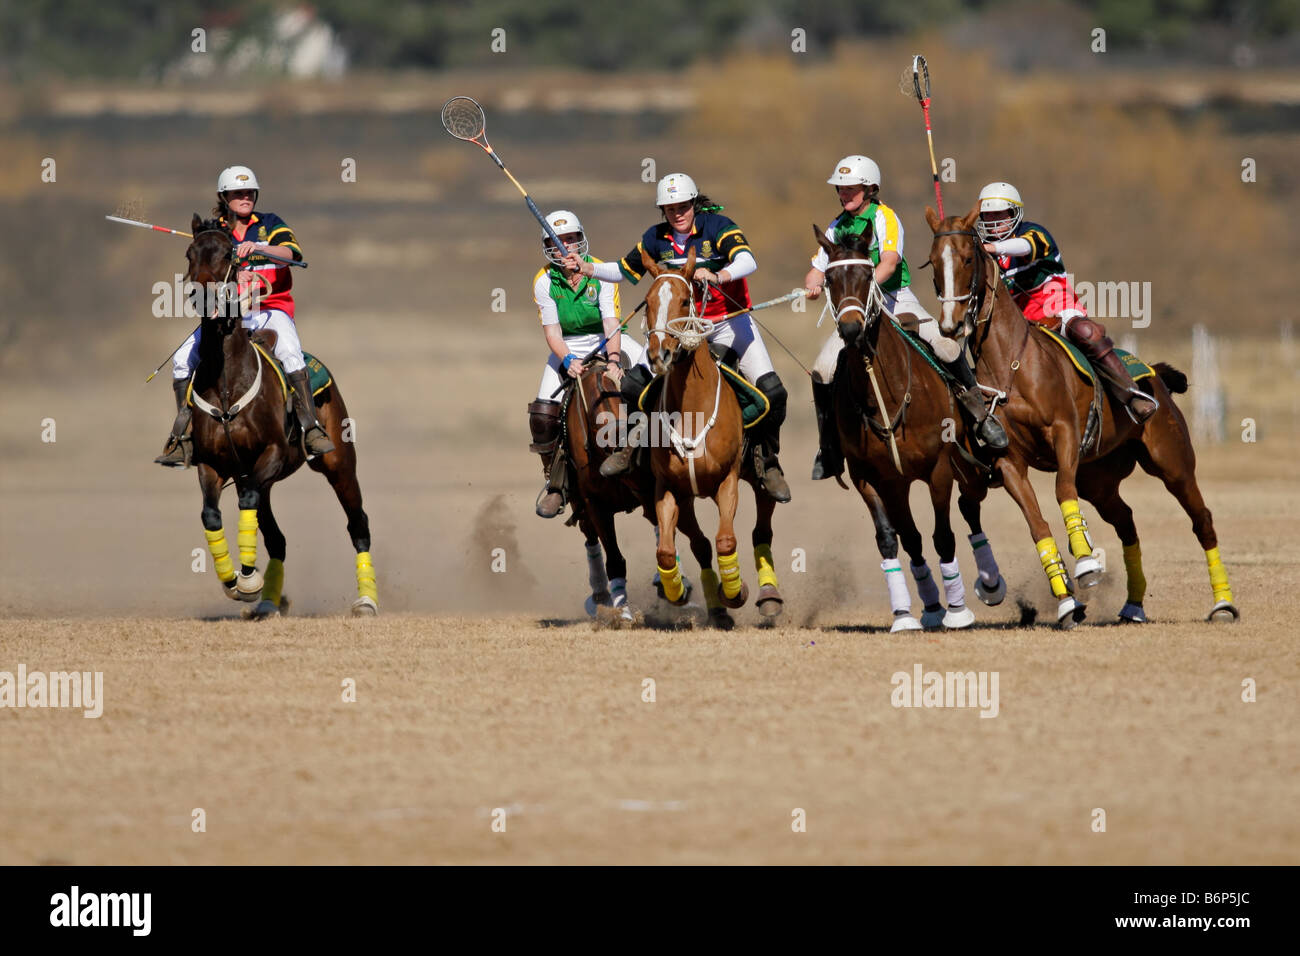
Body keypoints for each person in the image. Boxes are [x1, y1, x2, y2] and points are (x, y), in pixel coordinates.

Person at [563, 173, 791, 503]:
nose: (677, 213)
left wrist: (719, 274)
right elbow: (625, 271)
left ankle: (767, 463)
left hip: (728, 322)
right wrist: (588, 269)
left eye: (683, 206)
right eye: (670, 209)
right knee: (632, 386)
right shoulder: (655, 238)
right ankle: (630, 451)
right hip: (679, 330)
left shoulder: (718, 227)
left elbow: (748, 260)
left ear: (693, 204)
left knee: (774, 392)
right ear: (663, 211)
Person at [804, 156, 1007, 480]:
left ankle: (982, 418)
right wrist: (813, 281)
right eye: (840, 189)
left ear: (869, 188)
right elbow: (818, 265)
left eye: (850, 188)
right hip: (857, 308)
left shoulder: (885, 218)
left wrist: (864, 283)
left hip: (896, 301)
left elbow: (889, 261)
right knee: (822, 370)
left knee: (946, 347)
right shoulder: (836, 225)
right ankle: (829, 446)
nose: (843, 194)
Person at [156, 165, 334, 466]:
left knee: (291, 353)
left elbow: (293, 254)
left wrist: (260, 249)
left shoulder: (269, 224)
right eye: (238, 194)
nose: (245, 197)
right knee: (181, 359)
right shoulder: (218, 232)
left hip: (271, 310)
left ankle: (310, 427)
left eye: (249, 192)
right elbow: (204, 272)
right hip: (230, 314)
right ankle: (184, 436)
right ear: (225, 197)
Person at [975, 181, 1157, 422]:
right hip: (1018, 328)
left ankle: (1132, 394)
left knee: (1086, 331)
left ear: (1015, 214)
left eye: (1000, 215)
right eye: (988, 216)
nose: (994, 222)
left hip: (1057, 311)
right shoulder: (983, 256)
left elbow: (1025, 246)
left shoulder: (1033, 233)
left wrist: (991, 248)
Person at [527, 210, 646, 518]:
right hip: (568, 344)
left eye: (571, 239)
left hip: (606, 340)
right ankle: (557, 484)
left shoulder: (601, 271)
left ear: (581, 240)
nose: (566, 247)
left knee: (649, 378)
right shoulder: (544, 281)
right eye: (558, 241)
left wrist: (615, 359)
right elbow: (552, 331)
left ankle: (660, 453)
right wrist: (567, 359)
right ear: (548, 246)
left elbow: (611, 322)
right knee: (542, 415)